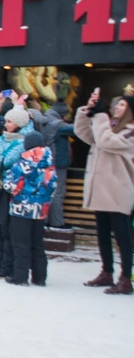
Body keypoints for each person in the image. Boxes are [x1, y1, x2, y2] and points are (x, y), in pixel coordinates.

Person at [75, 90, 134, 295]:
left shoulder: (130, 131)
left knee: (122, 236)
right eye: (116, 104)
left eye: (123, 105)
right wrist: (87, 111)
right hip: (101, 190)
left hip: (118, 191)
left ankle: (126, 277)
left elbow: (106, 141)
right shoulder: (108, 129)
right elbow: (84, 134)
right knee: (102, 234)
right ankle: (106, 271)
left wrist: (100, 116)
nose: (117, 106)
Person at [0, 103, 34, 274]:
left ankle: (7, 265)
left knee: (5, 228)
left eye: (9, 121)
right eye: (6, 120)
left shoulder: (22, 141)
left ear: (18, 123)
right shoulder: (5, 138)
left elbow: (7, 160)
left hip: (9, 189)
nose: (5, 124)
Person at [1, 131, 56, 287]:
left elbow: (11, 185)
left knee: (20, 243)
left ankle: (20, 276)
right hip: (41, 209)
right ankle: (40, 277)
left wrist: (8, 185)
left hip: (21, 208)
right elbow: (53, 186)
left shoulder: (23, 162)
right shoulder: (49, 163)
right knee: (37, 243)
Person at [35, 104, 74, 230]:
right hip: (58, 162)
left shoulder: (44, 120)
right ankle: (57, 222)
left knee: (47, 191)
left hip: (46, 160)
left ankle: (44, 220)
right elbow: (77, 130)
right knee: (58, 192)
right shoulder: (58, 124)